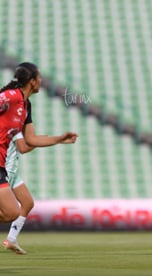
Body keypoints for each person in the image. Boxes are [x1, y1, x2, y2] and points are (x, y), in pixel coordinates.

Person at [0, 62, 78, 254]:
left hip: (1, 163)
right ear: (32, 81)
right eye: (39, 78)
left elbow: (30, 140)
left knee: (13, 211)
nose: (42, 81)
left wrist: (59, 139)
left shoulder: (26, 106)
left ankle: (11, 239)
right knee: (12, 211)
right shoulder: (9, 97)